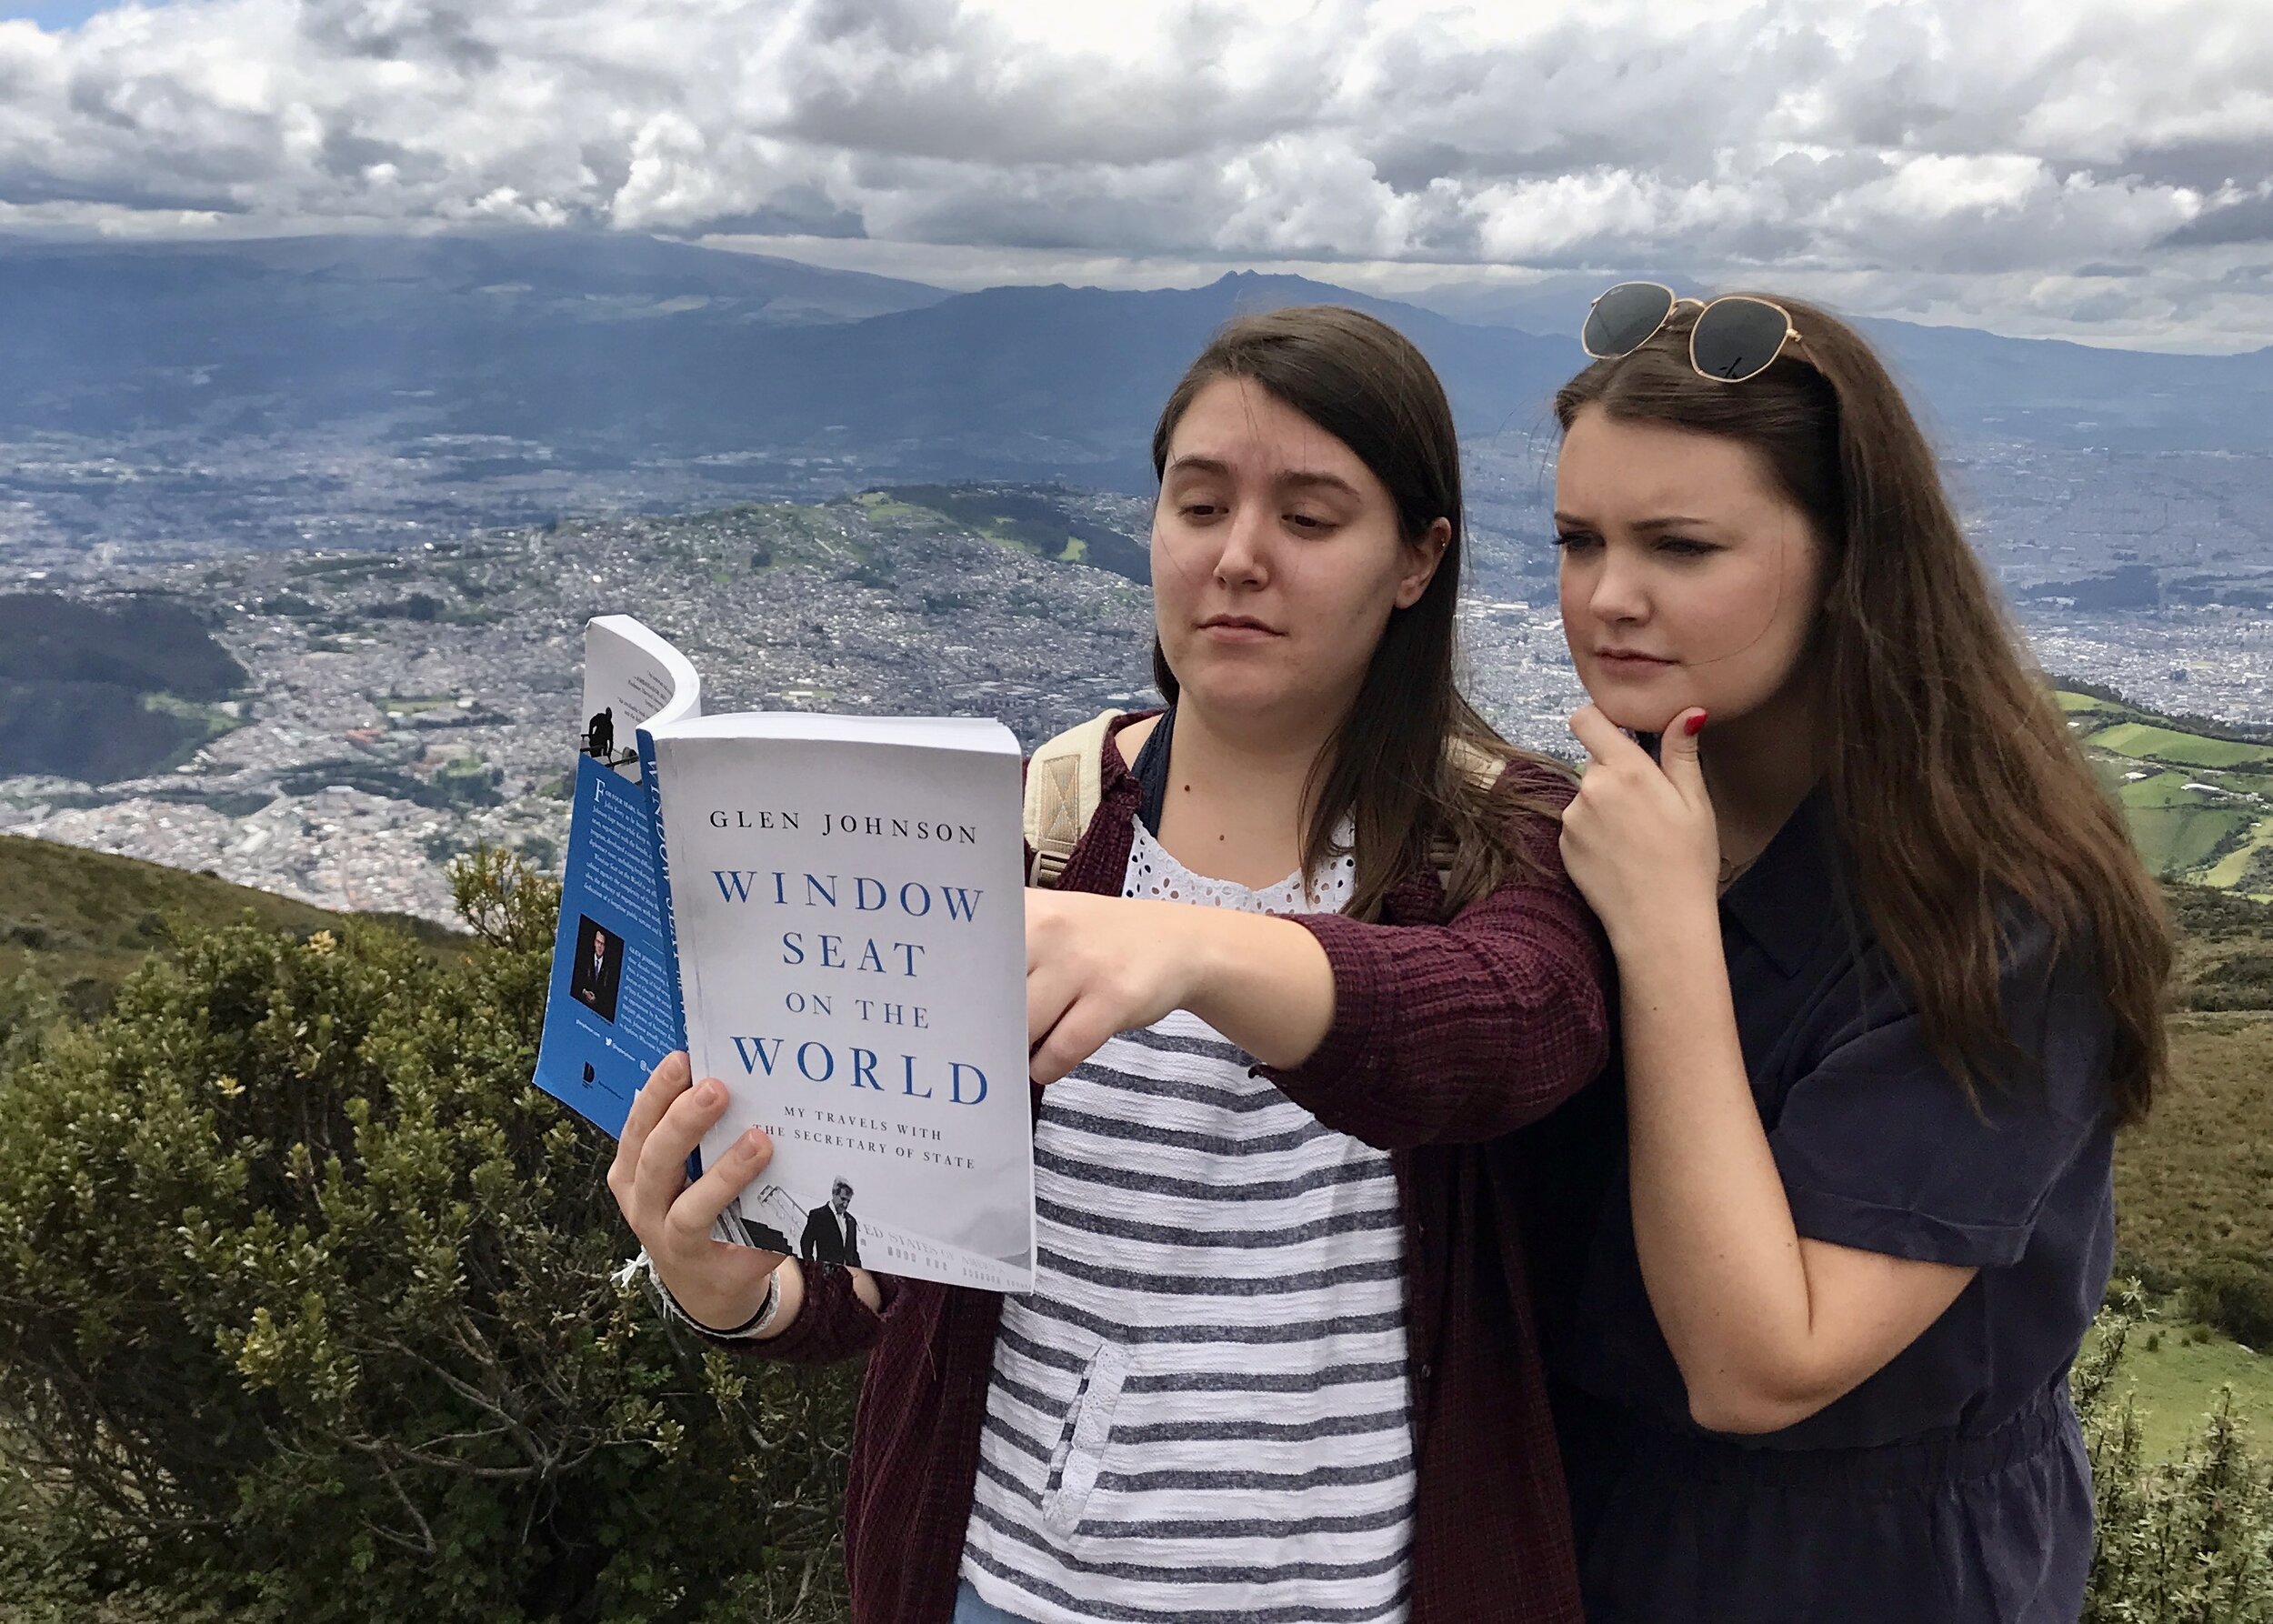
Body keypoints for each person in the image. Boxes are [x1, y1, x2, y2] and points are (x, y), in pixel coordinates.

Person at [606, 306, 1612, 1624]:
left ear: (1418, 559)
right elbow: (892, 1258)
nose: (1238, 559)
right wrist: (739, 1290)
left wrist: (1195, 944)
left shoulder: (1503, 837)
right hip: (1011, 1589)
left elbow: (1513, 1029)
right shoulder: (1036, 827)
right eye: (1199, 506)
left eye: (1309, 520)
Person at [1539, 285, 2171, 1622]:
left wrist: (1664, 937)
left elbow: (1761, 1362)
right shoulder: (1616, 820)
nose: (1608, 597)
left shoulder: (2005, 913)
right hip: (1577, 1513)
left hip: (1866, 1566)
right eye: (1576, 538)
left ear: (1849, 562)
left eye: (1683, 545)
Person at [800, 1178, 861, 1268]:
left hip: (846, 1276)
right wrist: (811, 1266)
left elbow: (853, 1253)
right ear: (834, 1194)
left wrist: (859, 1273)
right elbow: (806, 1242)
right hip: (825, 1274)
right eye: (843, 1199)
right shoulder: (818, 1215)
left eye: (848, 1201)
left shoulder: (851, 1221)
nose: (845, 1204)